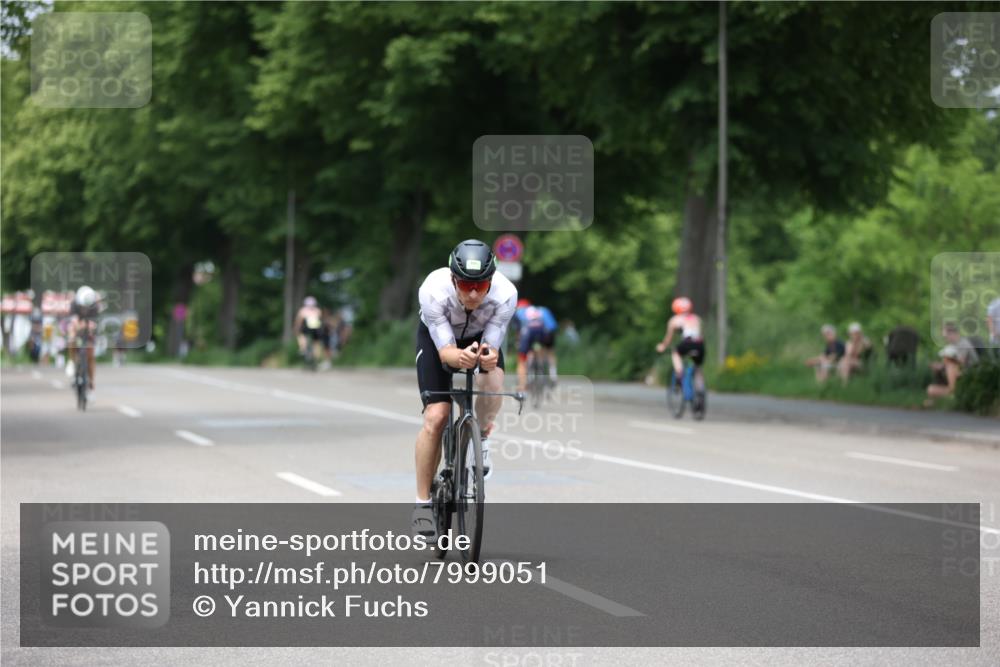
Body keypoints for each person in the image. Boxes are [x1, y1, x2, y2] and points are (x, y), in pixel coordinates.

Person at [412, 239, 517, 538]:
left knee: (493, 379)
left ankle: (481, 436)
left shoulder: (506, 294)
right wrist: (458, 357)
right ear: (452, 279)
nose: (473, 293)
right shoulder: (432, 290)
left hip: (479, 336)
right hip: (438, 341)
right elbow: (445, 351)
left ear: (491, 282)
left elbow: (492, 347)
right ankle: (421, 504)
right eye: (465, 285)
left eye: (481, 286)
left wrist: (487, 357)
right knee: (436, 416)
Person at [655, 296, 705, 393]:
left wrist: (663, 346)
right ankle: (701, 393)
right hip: (699, 345)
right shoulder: (697, 318)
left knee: (675, 353)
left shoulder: (675, 319)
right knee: (697, 368)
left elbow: (668, 338)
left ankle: (679, 374)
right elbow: (702, 335)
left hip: (687, 342)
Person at [925, 322, 980, 405]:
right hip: (957, 372)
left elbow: (961, 363)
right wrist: (940, 365)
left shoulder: (963, 343)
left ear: (953, 333)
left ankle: (952, 391)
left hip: (970, 372)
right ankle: (945, 395)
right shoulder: (951, 345)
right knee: (931, 388)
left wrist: (947, 361)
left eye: (946, 336)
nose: (946, 339)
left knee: (951, 366)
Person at [514, 298, 558, 391]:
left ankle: (522, 385)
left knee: (522, 359)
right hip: (545, 331)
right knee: (549, 351)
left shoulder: (519, 312)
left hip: (529, 332)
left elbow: (519, 332)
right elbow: (552, 326)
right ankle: (553, 374)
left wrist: (518, 343)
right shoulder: (543, 310)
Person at [65, 286, 100, 395]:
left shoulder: (95, 306)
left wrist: (91, 327)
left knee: (91, 354)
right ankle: (71, 361)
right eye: (82, 306)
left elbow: (95, 323)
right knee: (71, 337)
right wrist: (79, 326)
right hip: (78, 326)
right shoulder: (74, 304)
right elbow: (74, 321)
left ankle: (91, 382)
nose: (84, 309)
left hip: (89, 327)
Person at [294, 296, 324, 362]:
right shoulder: (318, 310)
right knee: (316, 343)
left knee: (301, 335)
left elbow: (299, 321)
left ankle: (303, 349)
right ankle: (316, 357)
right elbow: (320, 320)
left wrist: (296, 328)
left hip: (307, 328)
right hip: (317, 329)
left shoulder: (303, 310)